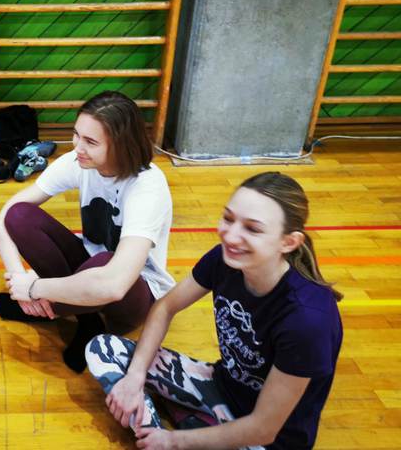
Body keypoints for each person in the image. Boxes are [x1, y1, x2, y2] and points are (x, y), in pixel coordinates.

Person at [85, 172, 343, 450]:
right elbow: (165, 307)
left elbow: (263, 429)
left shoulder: (307, 320)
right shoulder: (225, 259)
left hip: (266, 440)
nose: (231, 236)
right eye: (228, 218)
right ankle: (182, 425)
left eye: (252, 229)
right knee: (103, 349)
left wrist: (173, 441)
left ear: (289, 242)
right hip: (220, 387)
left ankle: (184, 426)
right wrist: (134, 379)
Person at [0, 91, 175, 373]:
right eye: (76, 135)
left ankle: (50, 308)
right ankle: (86, 320)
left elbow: (114, 284)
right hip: (90, 269)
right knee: (20, 216)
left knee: (104, 262)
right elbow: (5, 216)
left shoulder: (147, 186)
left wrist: (34, 289)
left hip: (134, 292)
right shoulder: (80, 161)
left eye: (90, 142)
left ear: (121, 145)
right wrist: (18, 280)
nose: (77, 147)